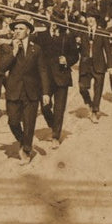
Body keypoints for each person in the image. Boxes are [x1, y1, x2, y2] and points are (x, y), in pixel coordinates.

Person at [1, 16, 48, 163]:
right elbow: (1, 67)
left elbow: (43, 71)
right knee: (13, 122)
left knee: (29, 123)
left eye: (21, 28)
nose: (17, 31)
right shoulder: (8, 46)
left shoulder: (37, 49)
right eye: (15, 28)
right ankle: (24, 142)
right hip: (14, 90)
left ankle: (26, 150)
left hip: (31, 92)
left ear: (28, 31)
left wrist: (46, 92)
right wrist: (13, 52)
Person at [36, 11, 80, 145]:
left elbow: (75, 55)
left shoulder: (68, 36)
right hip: (45, 77)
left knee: (59, 108)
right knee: (45, 107)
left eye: (56, 22)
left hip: (62, 76)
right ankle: (53, 124)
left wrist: (67, 60)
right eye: (52, 21)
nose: (54, 24)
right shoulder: (42, 35)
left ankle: (55, 135)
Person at [76, 11, 110, 122]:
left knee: (98, 88)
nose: (90, 20)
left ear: (96, 19)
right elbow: (77, 49)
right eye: (88, 18)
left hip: (99, 64)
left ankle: (95, 111)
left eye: (92, 18)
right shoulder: (82, 32)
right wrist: (77, 44)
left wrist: (110, 65)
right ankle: (90, 103)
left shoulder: (102, 32)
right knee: (82, 88)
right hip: (85, 63)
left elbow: (108, 51)